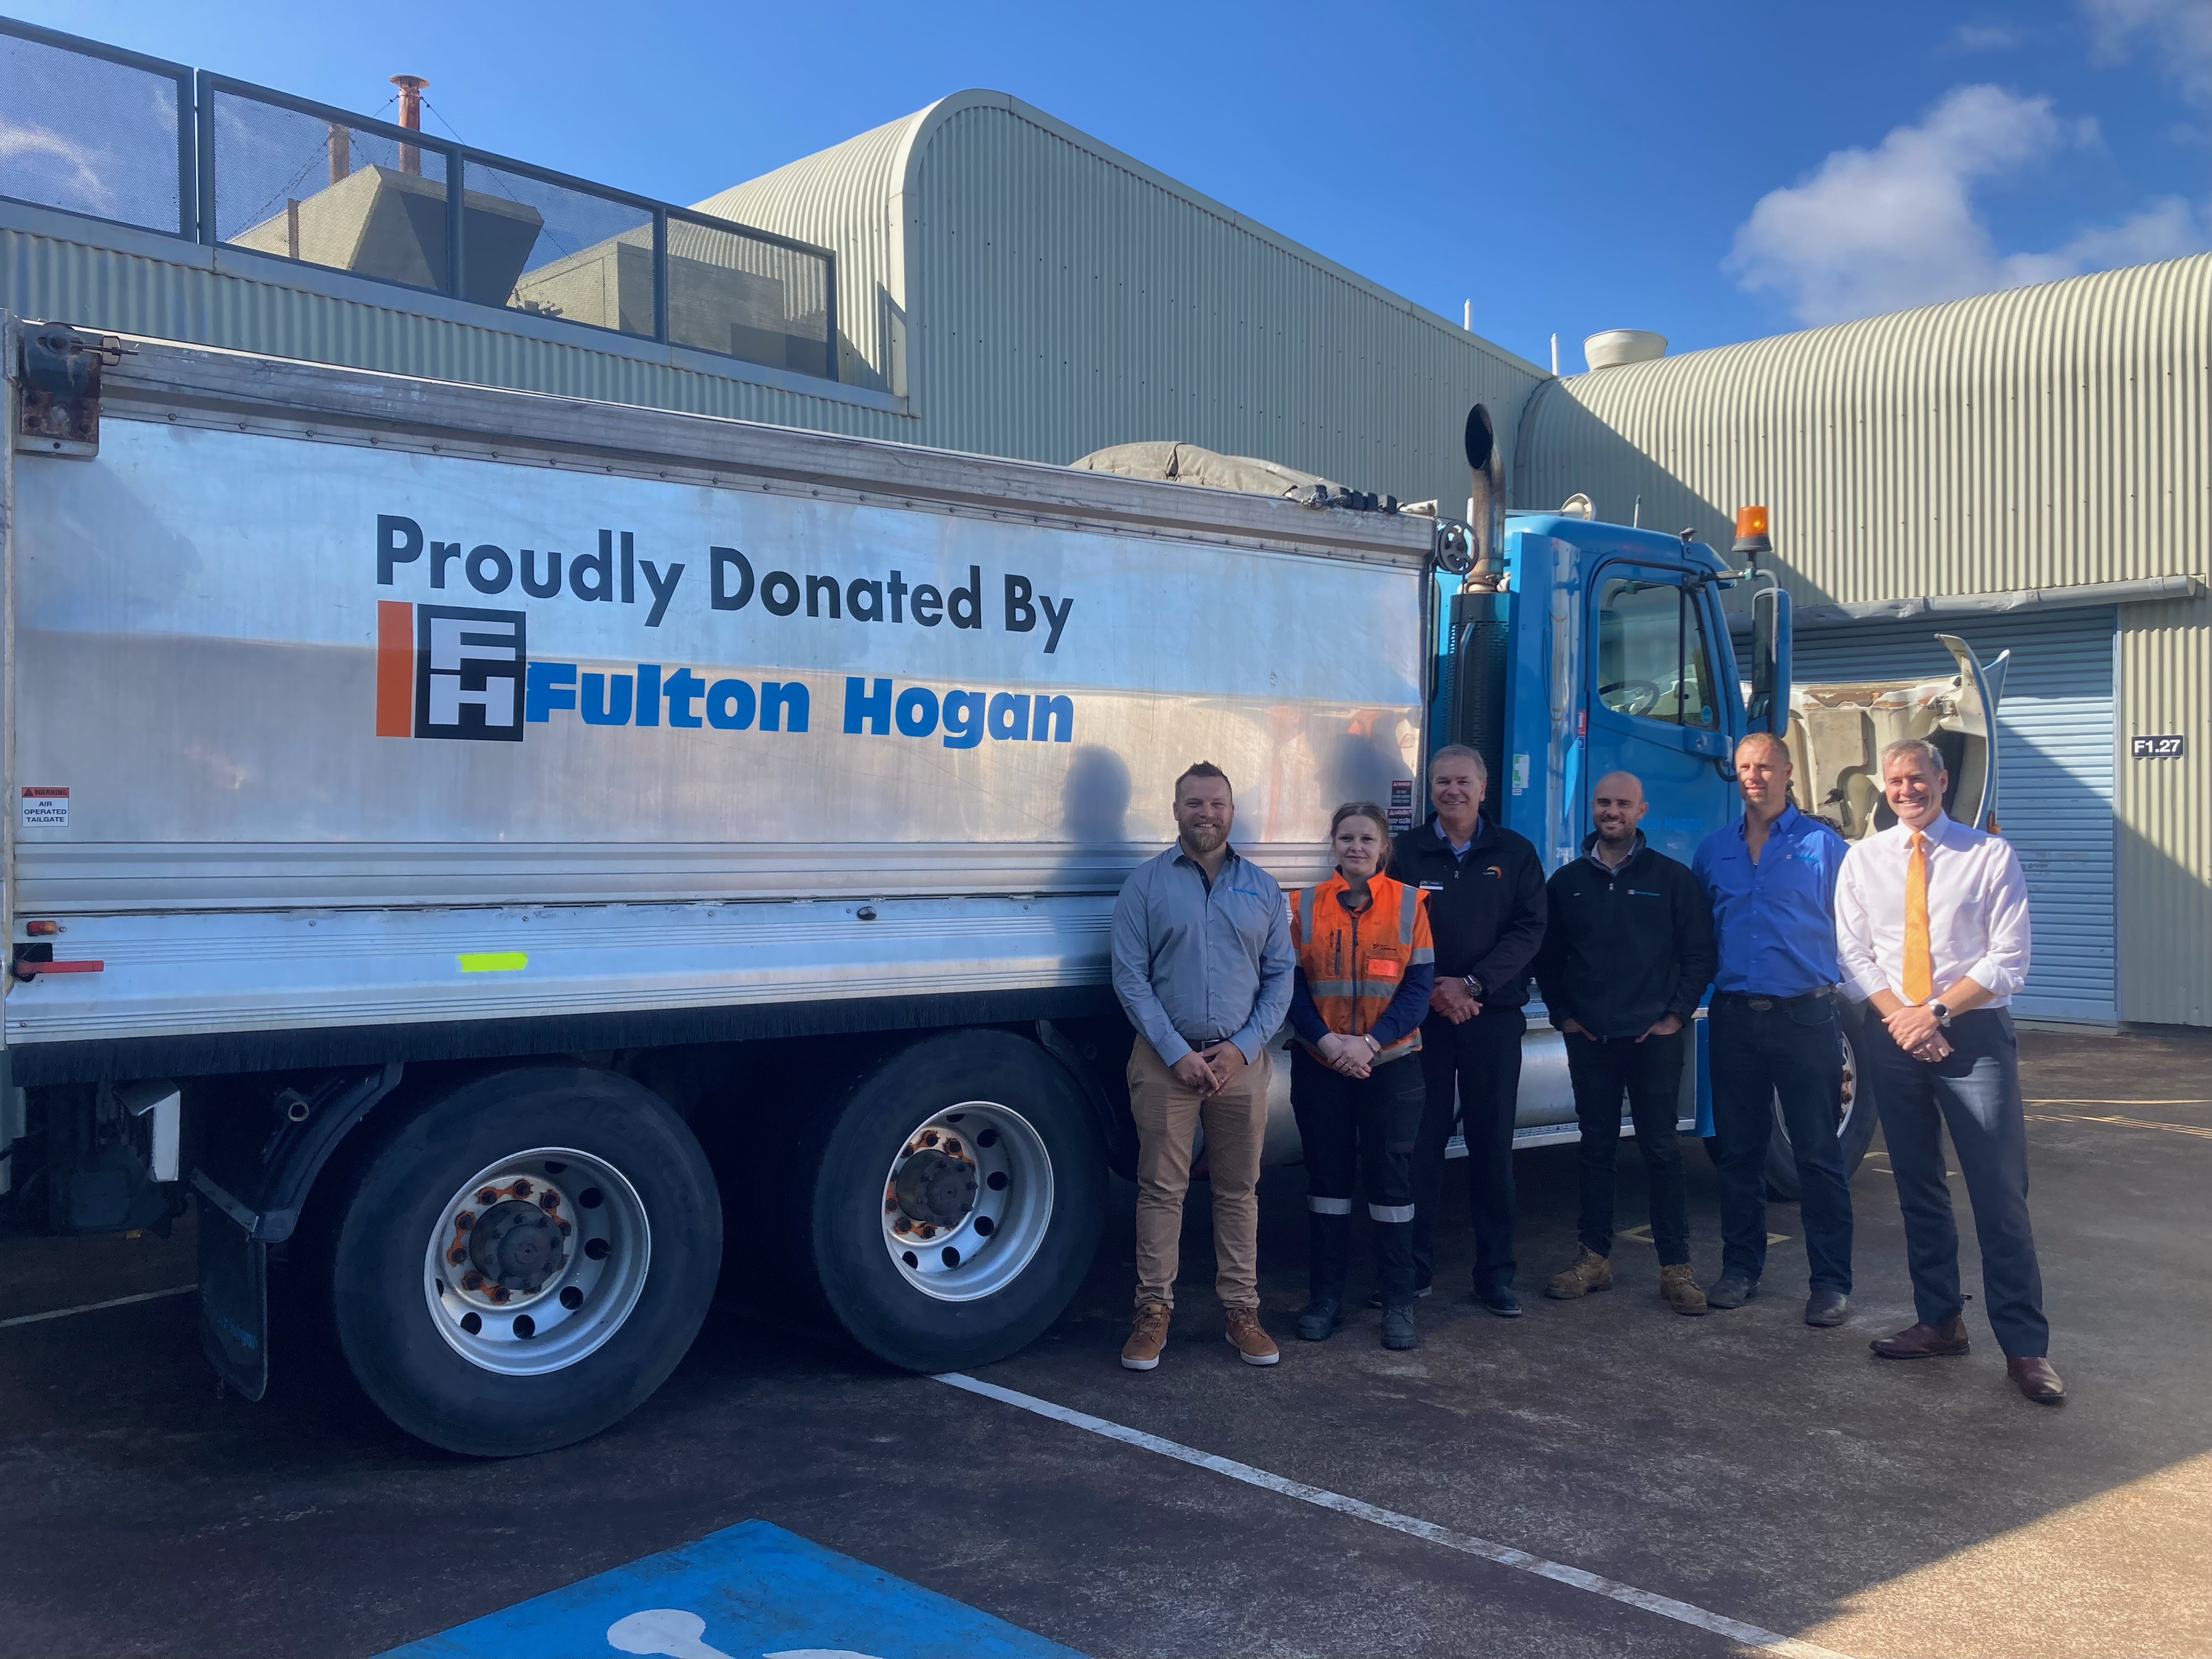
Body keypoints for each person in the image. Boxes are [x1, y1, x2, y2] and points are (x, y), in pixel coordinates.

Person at [1836, 738, 2061, 1404]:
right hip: (1893, 1033)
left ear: (1942, 779)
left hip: (1973, 1035)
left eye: (1918, 779)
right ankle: (1940, 1321)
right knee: (1919, 1188)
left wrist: (1930, 1013)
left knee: (1999, 1194)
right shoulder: (1862, 859)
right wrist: (1902, 1019)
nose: (1907, 790)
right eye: (1895, 781)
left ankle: (2026, 1349)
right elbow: (1852, 953)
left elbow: (2008, 959)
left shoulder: (1989, 855)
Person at [1109, 761, 1295, 1372]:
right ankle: (1152, 1312)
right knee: (1162, 1189)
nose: (1206, 813)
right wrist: (1177, 1053)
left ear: (1232, 812)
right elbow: (1130, 980)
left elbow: (1280, 977)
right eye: (1194, 803)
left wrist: (1242, 1047)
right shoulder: (1145, 885)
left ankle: (1241, 1311)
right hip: (1168, 1060)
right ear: (1176, 810)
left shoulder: (1263, 888)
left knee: (1239, 1191)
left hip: (1240, 1062)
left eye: (1217, 803)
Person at [1534, 772, 1717, 1315]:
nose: (1611, 811)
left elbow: (1699, 954)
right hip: (1591, 1039)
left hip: (1654, 1039)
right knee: (1595, 1148)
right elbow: (1547, 958)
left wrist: (1673, 1016)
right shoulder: (1566, 883)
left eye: (1622, 804)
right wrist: (1564, 1015)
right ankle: (1594, 1260)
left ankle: (1676, 1268)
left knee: (1661, 1149)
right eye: (1602, 802)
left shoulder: (1672, 879)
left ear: (1642, 810)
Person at [1691, 731, 1855, 1324]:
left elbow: (1858, 928)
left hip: (1806, 1017)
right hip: (1735, 1017)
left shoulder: (1824, 846)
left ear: (1788, 773)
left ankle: (1832, 1283)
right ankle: (1740, 1270)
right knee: (1738, 1153)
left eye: (1764, 766)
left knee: (1816, 1154)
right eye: (1743, 767)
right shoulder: (1714, 851)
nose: (1753, 776)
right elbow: (1701, 937)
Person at [1386, 744, 1547, 1316]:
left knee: (1491, 1147)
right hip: (1424, 1019)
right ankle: (1414, 1272)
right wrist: (1434, 989)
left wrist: (1474, 985)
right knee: (1419, 1147)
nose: (1451, 792)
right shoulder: (1406, 852)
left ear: (1484, 788)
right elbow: (1392, 926)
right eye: (1440, 783)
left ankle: (1496, 1276)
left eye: (1462, 782)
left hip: (1491, 1018)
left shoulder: (1515, 853)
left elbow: (1530, 930)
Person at [1285, 802, 1437, 1350]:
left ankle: (1398, 1304)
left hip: (1390, 1065)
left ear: (1382, 848)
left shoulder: (1408, 905)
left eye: (1366, 839)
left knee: (1391, 1187)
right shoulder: (1304, 905)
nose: (1356, 847)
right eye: (1346, 838)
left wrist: (1369, 1045)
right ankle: (1325, 1300)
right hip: (1321, 1064)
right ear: (1334, 844)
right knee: (1326, 1187)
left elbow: (1420, 989)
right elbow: (1292, 986)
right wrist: (1329, 1043)